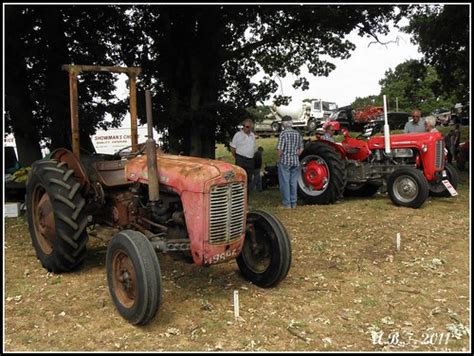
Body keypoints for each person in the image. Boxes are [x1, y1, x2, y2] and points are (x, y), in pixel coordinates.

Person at [277, 115, 304, 208]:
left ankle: (287, 203)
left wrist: (280, 157)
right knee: (293, 182)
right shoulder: (297, 133)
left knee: (285, 182)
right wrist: (296, 154)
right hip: (295, 161)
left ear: (283, 123)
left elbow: (280, 149)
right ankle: (294, 202)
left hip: (285, 161)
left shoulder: (283, 134)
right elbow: (301, 149)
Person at [230, 118, 256, 186]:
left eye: (247, 126)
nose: (244, 128)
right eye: (243, 125)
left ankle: (246, 194)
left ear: (251, 127)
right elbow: (233, 148)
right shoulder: (238, 135)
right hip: (240, 159)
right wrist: (237, 157)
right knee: (239, 177)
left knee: (249, 178)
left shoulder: (252, 135)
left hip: (250, 160)